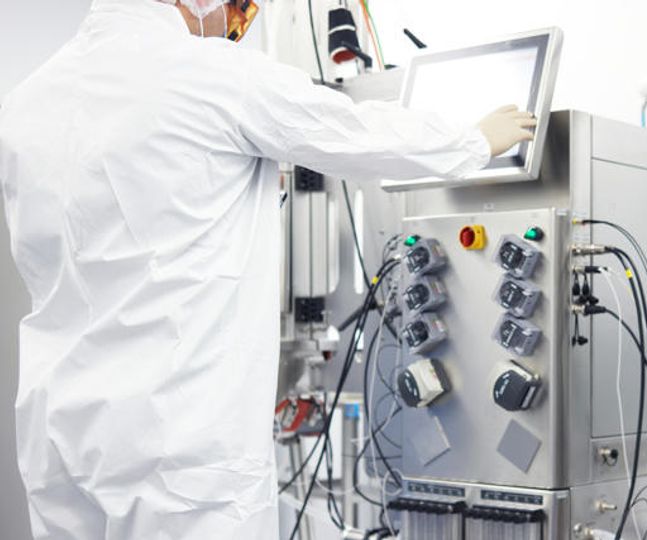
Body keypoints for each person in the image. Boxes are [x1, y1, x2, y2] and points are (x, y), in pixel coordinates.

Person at [0, 0, 536, 538]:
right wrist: (473, 140)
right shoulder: (211, 73)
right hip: (177, 445)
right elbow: (356, 132)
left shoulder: (29, 100)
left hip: (59, 430)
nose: (232, 25)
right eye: (235, 7)